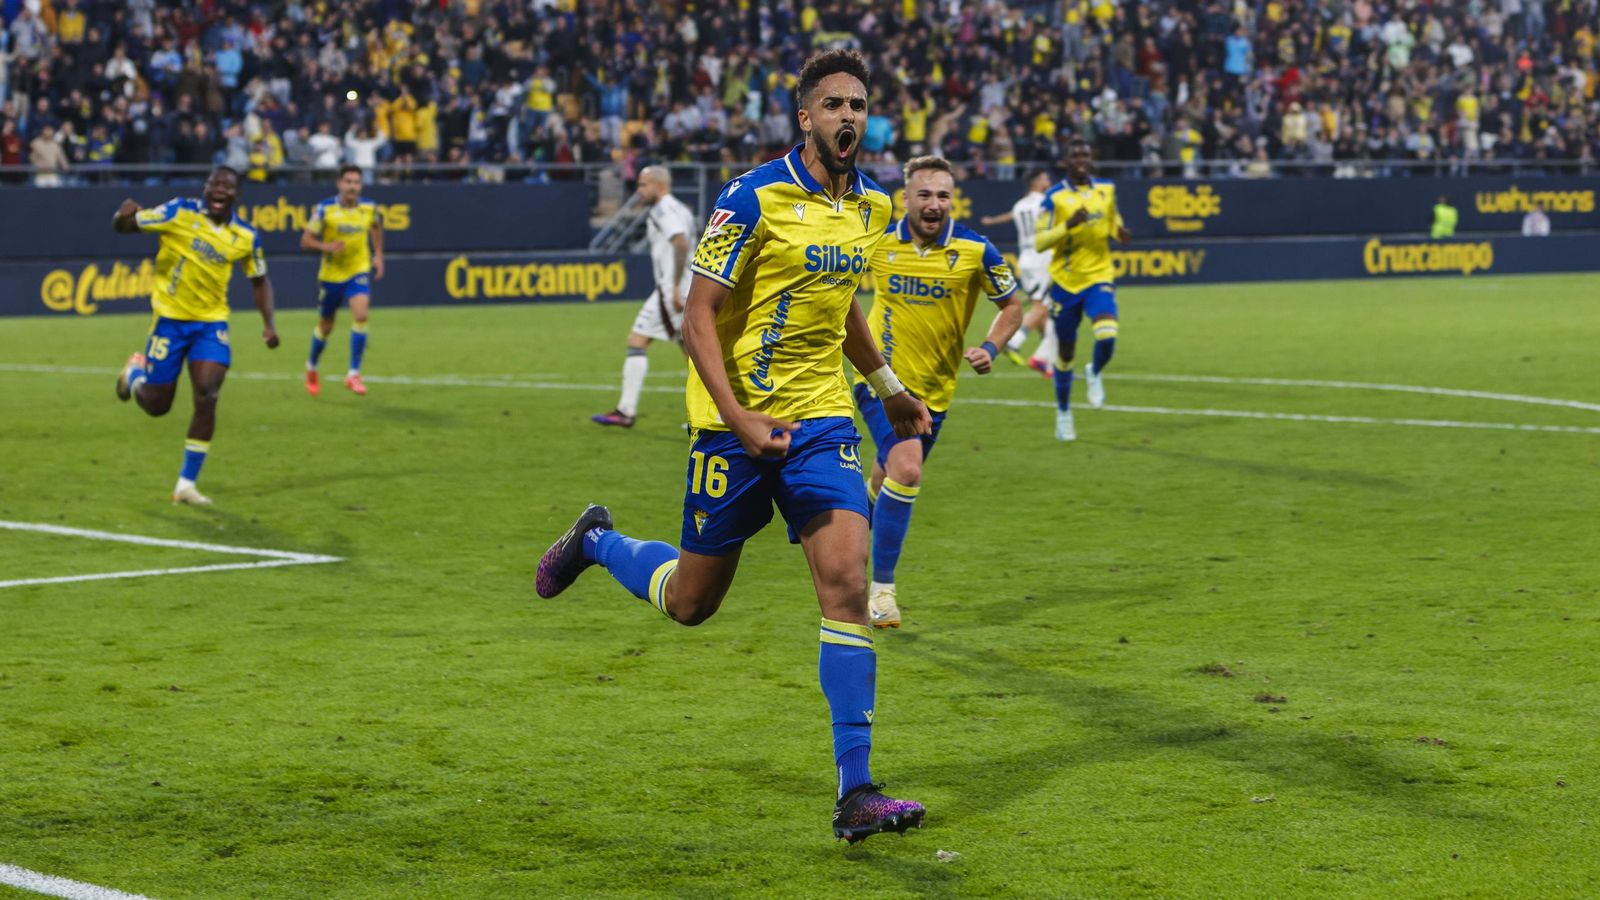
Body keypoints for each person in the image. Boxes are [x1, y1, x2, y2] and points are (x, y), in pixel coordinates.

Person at [535, 50, 932, 844]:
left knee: (847, 584)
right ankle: (599, 541)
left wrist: (886, 385)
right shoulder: (750, 198)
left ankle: (856, 792)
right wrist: (739, 417)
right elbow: (696, 316)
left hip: (821, 421)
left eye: (858, 103)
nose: (848, 116)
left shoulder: (873, 206)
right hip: (734, 426)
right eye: (833, 104)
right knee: (691, 603)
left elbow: (841, 306)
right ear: (804, 117)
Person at [856, 155, 1021, 628]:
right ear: (905, 197)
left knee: (887, 472)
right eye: (924, 194)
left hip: (937, 391)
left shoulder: (976, 250)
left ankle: (849, 523)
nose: (934, 204)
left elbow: (1012, 306)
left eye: (943, 195)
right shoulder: (878, 239)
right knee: (907, 470)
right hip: (881, 382)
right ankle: (881, 592)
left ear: (953, 200)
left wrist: (992, 345)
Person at [112, 166, 278, 505]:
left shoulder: (246, 236)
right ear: (205, 189)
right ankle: (134, 376)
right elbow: (127, 226)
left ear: (236, 194)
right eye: (213, 184)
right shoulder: (179, 212)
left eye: (226, 186)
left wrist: (269, 324)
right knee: (157, 406)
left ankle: (186, 484)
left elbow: (259, 280)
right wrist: (122, 215)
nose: (219, 190)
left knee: (208, 394)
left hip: (210, 324)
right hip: (170, 322)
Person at [1034, 138, 1131, 441]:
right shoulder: (1053, 198)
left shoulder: (1107, 190)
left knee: (1107, 334)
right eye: (1074, 155)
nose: (1080, 160)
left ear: (1091, 159)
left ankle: (1095, 371)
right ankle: (1064, 413)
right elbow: (1040, 242)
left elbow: (1114, 221)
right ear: (1066, 160)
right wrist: (1068, 226)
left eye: (1085, 155)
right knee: (1065, 353)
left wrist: (1120, 233)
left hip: (1099, 276)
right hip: (1064, 284)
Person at [591, 166, 697, 428]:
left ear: (659, 185)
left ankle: (626, 411)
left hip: (672, 290)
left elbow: (681, 242)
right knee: (693, 354)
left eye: (643, 184)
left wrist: (673, 286)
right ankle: (712, 414)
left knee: (637, 340)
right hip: (687, 286)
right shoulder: (681, 209)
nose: (639, 190)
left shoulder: (663, 210)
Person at [300, 165, 384, 396]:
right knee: (326, 326)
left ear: (361, 185)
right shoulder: (325, 209)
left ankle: (353, 374)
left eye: (356, 182)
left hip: (358, 269)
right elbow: (306, 240)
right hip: (331, 275)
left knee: (361, 315)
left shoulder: (369, 207)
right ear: (339, 184)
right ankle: (311, 366)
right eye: (348, 182)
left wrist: (377, 255)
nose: (352, 186)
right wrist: (326, 246)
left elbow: (376, 227)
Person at [979, 169, 1056, 373]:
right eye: (1045, 177)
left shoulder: (1020, 205)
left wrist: (991, 221)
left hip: (1026, 259)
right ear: (1037, 181)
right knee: (1042, 308)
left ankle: (1047, 359)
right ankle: (1015, 342)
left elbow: (1008, 216)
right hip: (1042, 258)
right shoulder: (1046, 202)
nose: (1048, 180)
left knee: (1042, 308)